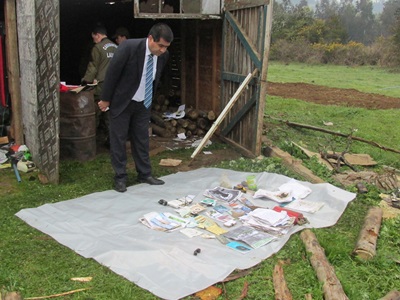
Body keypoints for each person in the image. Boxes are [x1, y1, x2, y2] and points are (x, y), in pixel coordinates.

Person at [99, 23, 173, 192]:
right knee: (118, 140)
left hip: (143, 103)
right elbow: (112, 73)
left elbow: (157, 77)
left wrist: (150, 99)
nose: (162, 50)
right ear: (150, 38)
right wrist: (105, 99)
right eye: (160, 45)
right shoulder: (128, 47)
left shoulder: (163, 55)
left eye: (166, 47)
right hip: (122, 101)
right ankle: (120, 177)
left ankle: (145, 174)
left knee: (141, 139)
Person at [82, 23, 118, 143]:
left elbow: (93, 67)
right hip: (115, 85)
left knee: (95, 112)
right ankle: (113, 141)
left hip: (101, 86)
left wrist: (85, 82)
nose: (94, 41)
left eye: (94, 38)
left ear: (97, 35)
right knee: (111, 114)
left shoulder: (97, 48)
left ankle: (91, 140)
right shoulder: (116, 47)